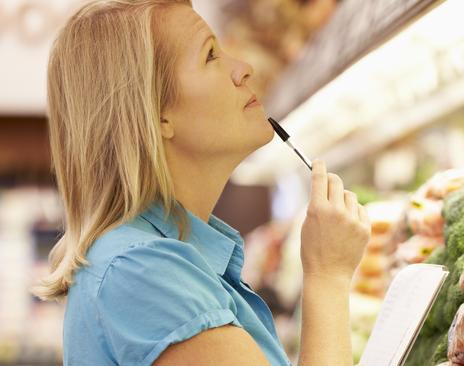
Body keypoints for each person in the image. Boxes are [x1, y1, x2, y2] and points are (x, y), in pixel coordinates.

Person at [31, 1, 370, 365]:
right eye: (211, 55)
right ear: (155, 114)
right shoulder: (144, 274)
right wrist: (327, 275)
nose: (243, 68)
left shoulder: (162, 257)